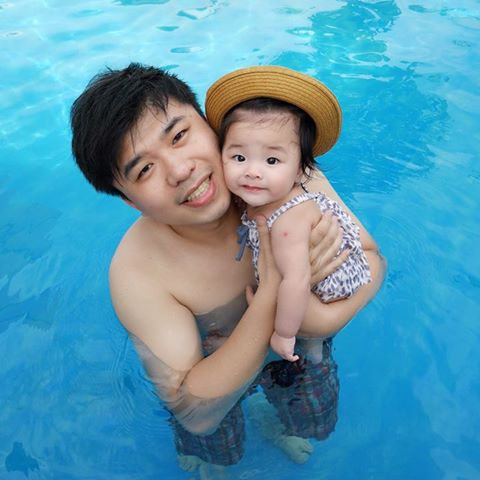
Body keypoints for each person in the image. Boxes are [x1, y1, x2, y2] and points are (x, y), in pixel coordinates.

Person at [70, 63, 385, 475]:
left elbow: (373, 259)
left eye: (179, 136)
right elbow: (193, 411)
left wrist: (320, 321)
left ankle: (278, 425)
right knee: (213, 448)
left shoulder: (279, 172)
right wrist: (274, 291)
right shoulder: (139, 274)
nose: (180, 170)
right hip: (216, 370)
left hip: (294, 345)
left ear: (209, 124)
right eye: (145, 170)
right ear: (129, 200)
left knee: (313, 423)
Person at [205, 66, 371, 363]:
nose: (253, 171)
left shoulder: (287, 222)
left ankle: (307, 344)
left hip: (323, 290)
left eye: (271, 160)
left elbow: (297, 281)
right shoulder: (268, 197)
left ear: (300, 171)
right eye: (239, 157)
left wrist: (283, 334)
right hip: (324, 277)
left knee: (291, 303)